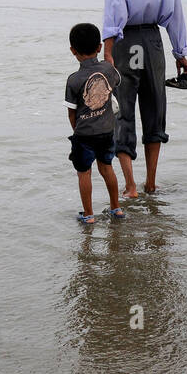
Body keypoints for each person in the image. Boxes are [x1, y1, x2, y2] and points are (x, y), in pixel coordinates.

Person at [101, 0, 187, 197]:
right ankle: (151, 182)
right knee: (154, 107)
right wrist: (180, 51)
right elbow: (175, 11)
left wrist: (107, 50)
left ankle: (130, 186)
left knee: (122, 109)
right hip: (153, 42)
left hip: (126, 41)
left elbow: (115, 10)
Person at [65, 23, 123, 224]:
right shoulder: (108, 70)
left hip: (84, 134)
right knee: (107, 168)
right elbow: (117, 81)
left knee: (84, 173)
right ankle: (116, 208)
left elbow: (71, 113)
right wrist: (110, 62)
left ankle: (89, 215)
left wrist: (77, 131)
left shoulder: (73, 80)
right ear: (99, 47)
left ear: (73, 50)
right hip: (106, 131)